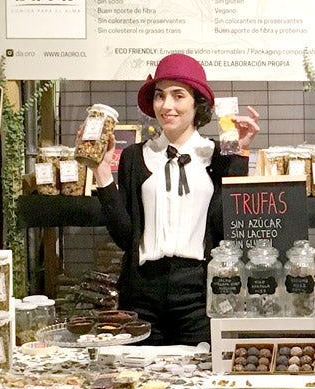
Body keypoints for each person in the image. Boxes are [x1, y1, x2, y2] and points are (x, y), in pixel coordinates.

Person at [93, 53, 259, 345]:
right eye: (160, 96)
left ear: (198, 104)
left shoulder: (218, 154)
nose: (166, 106)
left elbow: (226, 226)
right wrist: (102, 173)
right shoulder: (134, 156)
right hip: (142, 294)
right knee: (142, 380)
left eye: (178, 96)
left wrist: (238, 154)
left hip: (198, 292)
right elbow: (125, 237)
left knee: (201, 379)